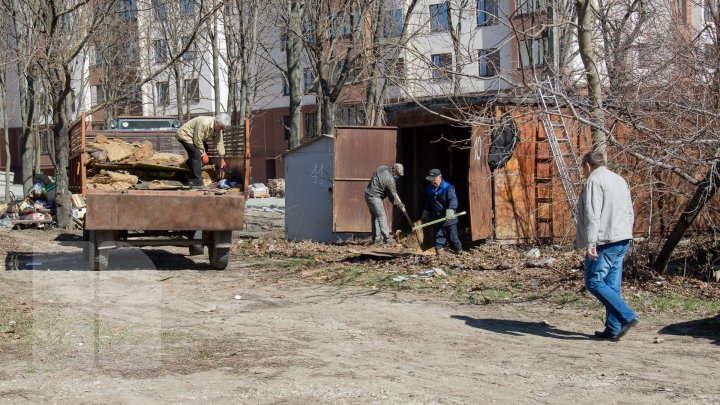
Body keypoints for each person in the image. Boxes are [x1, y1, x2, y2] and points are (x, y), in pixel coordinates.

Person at [576, 151, 638, 341]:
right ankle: (613, 328)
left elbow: (593, 215)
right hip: (622, 237)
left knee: (594, 282)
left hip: (605, 239)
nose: (583, 172)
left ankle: (627, 316)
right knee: (611, 285)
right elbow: (629, 209)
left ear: (588, 165)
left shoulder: (594, 181)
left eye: (583, 168)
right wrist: (628, 232)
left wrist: (591, 242)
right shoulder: (619, 179)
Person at [175, 113, 230, 188]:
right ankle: (197, 182)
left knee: (205, 147)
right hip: (185, 135)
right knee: (196, 155)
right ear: (217, 122)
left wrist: (222, 157)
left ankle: (185, 170)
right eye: (221, 127)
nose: (222, 129)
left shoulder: (218, 128)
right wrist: (203, 155)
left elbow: (219, 142)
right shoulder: (205, 123)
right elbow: (197, 140)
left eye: (223, 127)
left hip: (195, 137)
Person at [422, 168, 462, 256]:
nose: (432, 182)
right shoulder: (430, 189)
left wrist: (451, 210)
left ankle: (459, 251)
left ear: (440, 177)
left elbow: (453, 200)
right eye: (431, 180)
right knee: (438, 237)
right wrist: (426, 210)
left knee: (453, 238)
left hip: (449, 218)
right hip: (437, 218)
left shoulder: (448, 188)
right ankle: (440, 255)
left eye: (434, 180)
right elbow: (429, 201)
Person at [365, 163, 405, 244]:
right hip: (375, 197)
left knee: (375, 217)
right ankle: (387, 239)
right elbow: (392, 198)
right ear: (394, 170)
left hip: (368, 194)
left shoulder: (382, 168)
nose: (398, 176)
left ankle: (376, 239)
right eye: (397, 174)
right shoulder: (389, 180)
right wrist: (401, 205)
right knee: (381, 216)